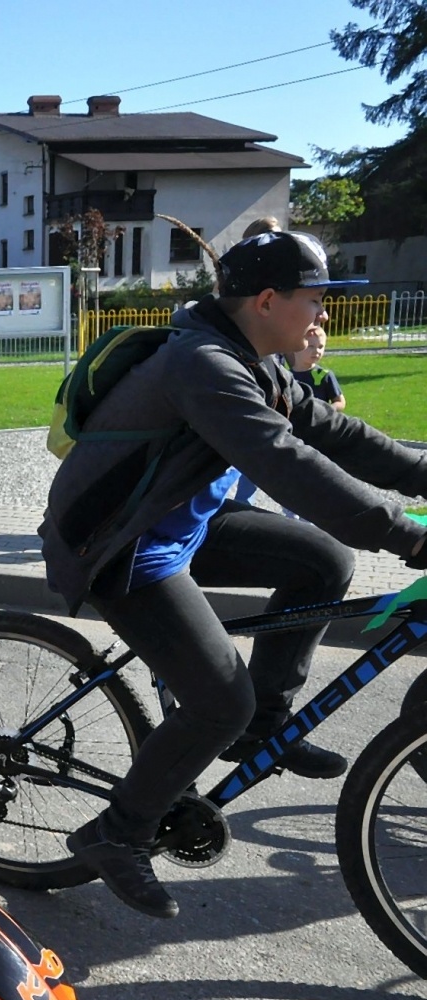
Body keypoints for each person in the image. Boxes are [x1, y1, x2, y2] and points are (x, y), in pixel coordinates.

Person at [40, 231, 427, 920]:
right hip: (122, 546)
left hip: (177, 524)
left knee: (326, 560)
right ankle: (117, 830)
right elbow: (293, 468)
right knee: (221, 698)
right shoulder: (205, 365)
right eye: (315, 300)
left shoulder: (254, 359)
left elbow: (340, 438)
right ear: (269, 300)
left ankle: (265, 723)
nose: (323, 317)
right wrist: (410, 539)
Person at [289, 324, 344, 413]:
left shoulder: (323, 374)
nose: (317, 351)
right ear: (296, 347)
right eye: (311, 346)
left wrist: (328, 410)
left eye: (320, 347)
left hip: (319, 424)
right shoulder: (287, 376)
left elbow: (340, 401)